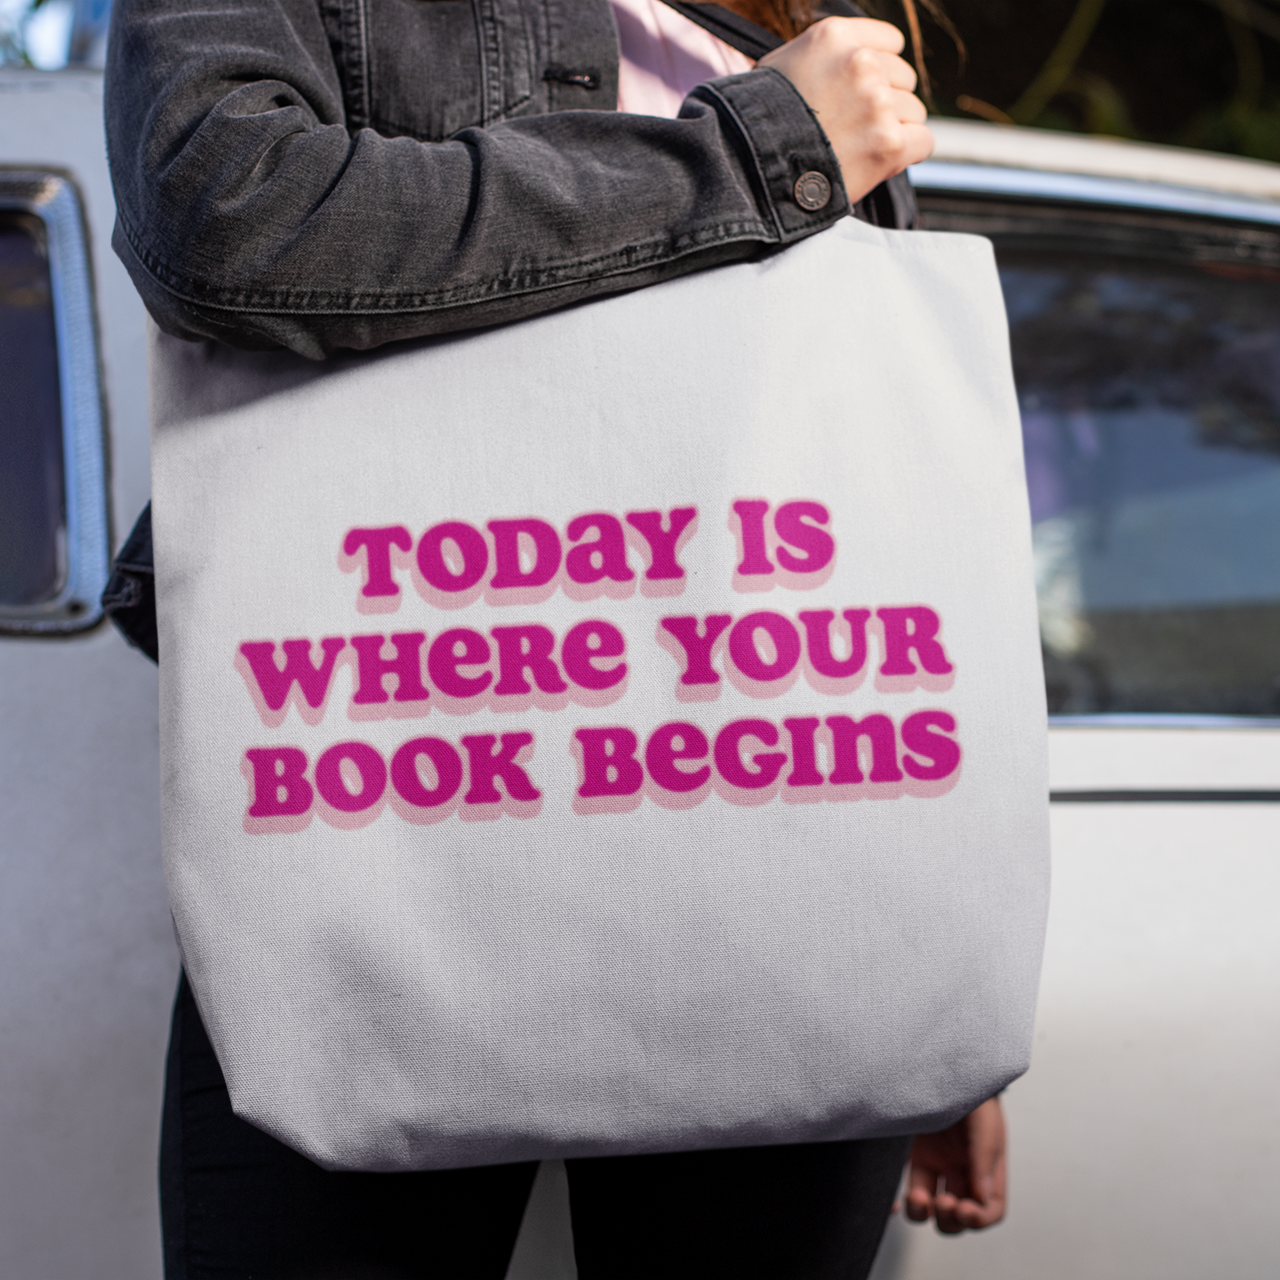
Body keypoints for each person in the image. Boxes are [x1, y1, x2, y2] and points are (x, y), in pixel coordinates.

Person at [103, 1, 1007, 1274]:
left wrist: (933, 982)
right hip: (379, 865)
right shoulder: (783, 82)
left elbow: (885, 517)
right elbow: (221, 209)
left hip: (789, 877)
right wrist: (747, 155)